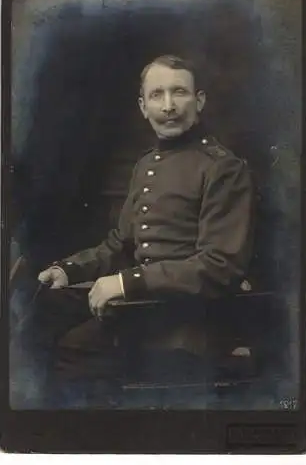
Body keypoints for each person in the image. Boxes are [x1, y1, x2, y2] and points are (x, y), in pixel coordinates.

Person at [17, 55, 255, 407]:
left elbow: (220, 265)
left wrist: (127, 283)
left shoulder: (223, 168)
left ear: (199, 100)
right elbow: (121, 243)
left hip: (189, 321)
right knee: (34, 319)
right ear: (143, 107)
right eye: (157, 95)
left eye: (180, 93)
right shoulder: (146, 164)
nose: (169, 106)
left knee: (71, 355)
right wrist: (69, 269)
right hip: (140, 310)